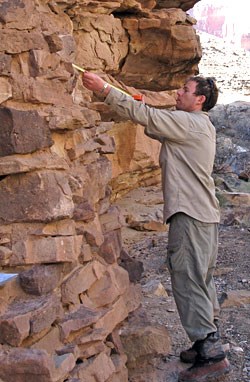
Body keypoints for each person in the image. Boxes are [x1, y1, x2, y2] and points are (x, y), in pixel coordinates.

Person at [82, 72, 230, 381]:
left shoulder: (188, 124)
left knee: (188, 278)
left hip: (190, 215)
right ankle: (207, 338)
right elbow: (150, 114)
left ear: (199, 99)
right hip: (204, 215)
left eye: (185, 90)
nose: (178, 93)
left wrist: (106, 91)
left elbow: (145, 115)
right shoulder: (194, 124)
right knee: (201, 278)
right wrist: (123, 91)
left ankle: (210, 351)